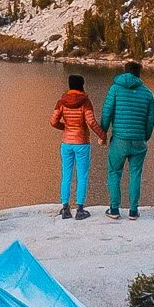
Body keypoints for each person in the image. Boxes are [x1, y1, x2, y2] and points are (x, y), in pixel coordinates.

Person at [100, 61, 154, 220]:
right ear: (139, 74)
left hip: (119, 140)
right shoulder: (147, 93)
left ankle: (114, 209)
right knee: (135, 174)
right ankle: (133, 211)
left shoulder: (115, 89)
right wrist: (145, 136)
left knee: (114, 172)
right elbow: (151, 119)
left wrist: (103, 133)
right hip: (139, 141)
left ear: (125, 72)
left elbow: (107, 113)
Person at [50, 73, 101, 219]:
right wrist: (102, 135)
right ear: (82, 85)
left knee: (66, 175)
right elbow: (91, 122)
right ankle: (79, 210)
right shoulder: (85, 101)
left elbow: (53, 121)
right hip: (82, 143)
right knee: (82, 176)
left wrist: (65, 127)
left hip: (66, 143)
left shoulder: (61, 101)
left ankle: (65, 208)